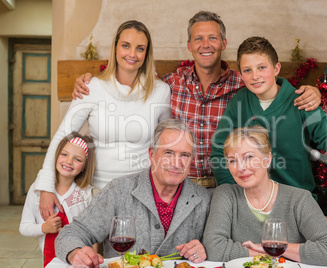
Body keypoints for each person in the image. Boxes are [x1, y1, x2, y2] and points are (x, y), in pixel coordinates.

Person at [72, 11, 322, 188]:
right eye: (198, 39)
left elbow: (273, 87)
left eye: (213, 38)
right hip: (181, 185)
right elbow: (132, 82)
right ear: (189, 45)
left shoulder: (243, 84)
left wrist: (311, 91)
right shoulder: (170, 83)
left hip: (229, 184)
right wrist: (91, 82)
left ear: (223, 43)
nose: (206, 44)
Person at [210, 36, 327, 234]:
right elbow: (218, 153)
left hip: (297, 209)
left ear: (276, 69)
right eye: (247, 70)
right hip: (252, 211)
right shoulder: (239, 102)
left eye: (261, 68)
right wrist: (238, 195)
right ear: (241, 74)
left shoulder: (301, 102)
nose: (255, 76)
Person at [35, 20, 171, 221]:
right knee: (94, 252)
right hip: (96, 191)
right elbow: (62, 135)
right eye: (125, 45)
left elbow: (164, 144)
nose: (132, 54)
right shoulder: (92, 88)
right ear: (115, 48)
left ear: (147, 54)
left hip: (140, 192)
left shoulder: (160, 91)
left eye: (140, 48)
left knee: (136, 252)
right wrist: (46, 186)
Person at [55, 119, 211, 267]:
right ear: (151, 154)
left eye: (184, 155)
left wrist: (204, 250)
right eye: (168, 153)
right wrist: (75, 253)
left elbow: (215, 250)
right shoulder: (119, 190)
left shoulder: (203, 199)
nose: (177, 163)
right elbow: (71, 233)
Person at [204, 126, 327, 266]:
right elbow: (214, 248)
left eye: (249, 157)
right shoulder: (225, 195)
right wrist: (268, 253)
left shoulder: (299, 199)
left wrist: (278, 248)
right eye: (232, 160)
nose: (241, 168)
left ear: (267, 160)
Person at [19, 132, 96, 267]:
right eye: (64, 154)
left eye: (77, 159)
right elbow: (24, 227)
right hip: (50, 262)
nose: (68, 161)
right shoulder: (36, 190)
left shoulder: (85, 194)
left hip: (79, 262)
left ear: (84, 166)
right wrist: (44, 228)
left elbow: (92, 234)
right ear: (54, 156)